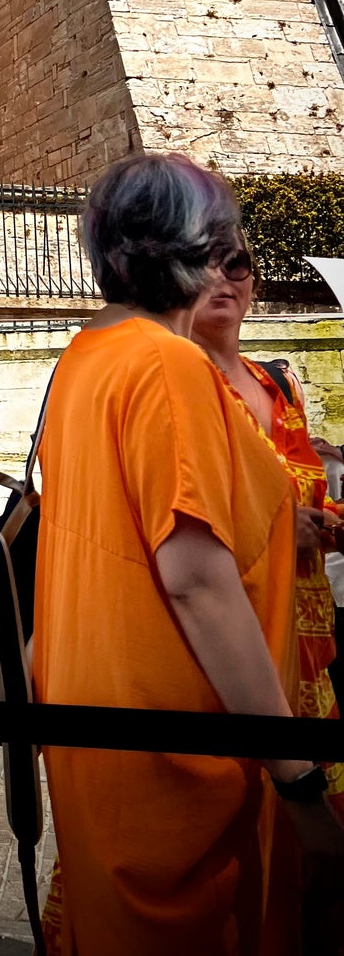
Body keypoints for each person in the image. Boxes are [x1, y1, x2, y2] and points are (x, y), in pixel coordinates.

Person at [34, 152, 344, 956]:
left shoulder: (86, 356)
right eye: (227, 241)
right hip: (173, 750)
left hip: (102, 731)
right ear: (195, 247)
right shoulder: (164, 365)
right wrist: (299, 783)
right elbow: (198, 582)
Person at [190, 247, 344, 812]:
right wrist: (279, 532)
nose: (223, 278)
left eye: (237, 263)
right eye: (202, 262)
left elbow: (314, 495)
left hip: (308, 653)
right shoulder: (180, 386)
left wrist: (330, 525)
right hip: (232, 656)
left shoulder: (277, 384)